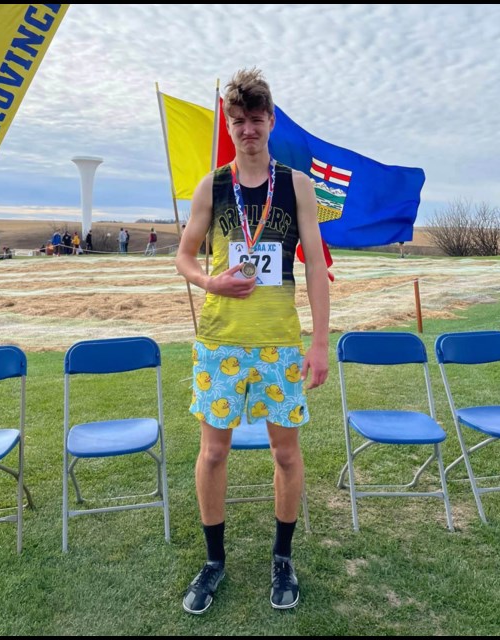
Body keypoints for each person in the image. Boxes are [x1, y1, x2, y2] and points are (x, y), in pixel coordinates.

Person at [176, 68, 330, 614]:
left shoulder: (296, 186)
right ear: (229, 123)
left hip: (279, 347)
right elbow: (184, 256)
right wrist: (209, 280)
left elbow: (313, 266)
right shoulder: (212, 186)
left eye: (256, 119)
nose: (247, 130)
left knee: (286, 455)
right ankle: (213, 561)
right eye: (237, 121)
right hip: (219, 343)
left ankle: (282, 559)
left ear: (270, 120)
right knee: (213, 453)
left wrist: (319, 342)